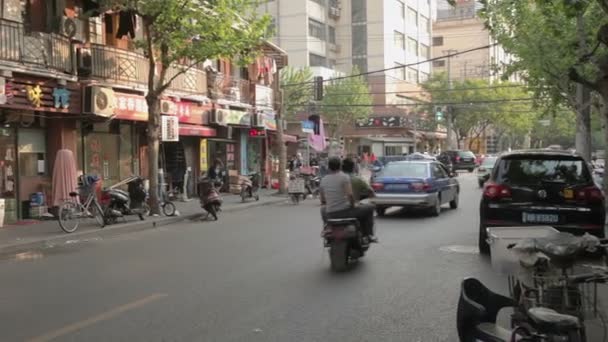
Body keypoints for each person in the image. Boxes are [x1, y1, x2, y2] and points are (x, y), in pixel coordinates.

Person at [320, 157, 377, 241]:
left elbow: (322, 199)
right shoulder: (345, 177)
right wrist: (353, 205)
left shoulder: (324, 180)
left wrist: (329, 205)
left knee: (323, 209)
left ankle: (328, 228)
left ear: (328, 167)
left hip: (330, 214)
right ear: (340, 167)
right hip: (345, 211)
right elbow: (350, 195)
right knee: (370, 207)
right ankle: (369, 234)